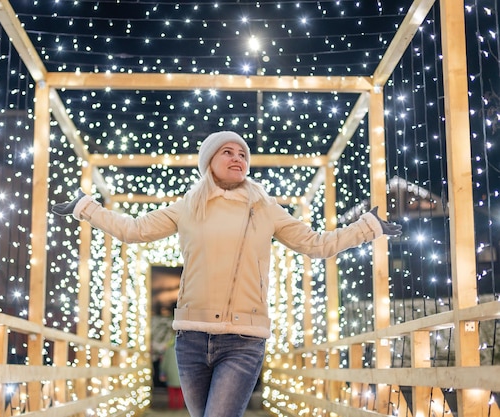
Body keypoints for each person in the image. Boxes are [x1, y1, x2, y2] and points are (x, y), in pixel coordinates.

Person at [52, 131, 401, 417]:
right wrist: (87, 207)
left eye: (243, 154)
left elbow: (317, 243)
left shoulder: (266, 209)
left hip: (244, 338)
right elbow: (133, 229)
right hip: (190, 337)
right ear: (209, 162)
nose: (238, 158)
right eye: (227, 152)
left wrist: (366, 228)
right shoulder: (187, 207)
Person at [159, 337, 184, 409]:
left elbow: (164, 363)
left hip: (170, 374)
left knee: (171, 392)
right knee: (180, 392)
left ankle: (172, 406)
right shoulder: (183, 350)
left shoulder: (168, 350)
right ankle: (179, 406)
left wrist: (163, 371)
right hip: (181, 373)